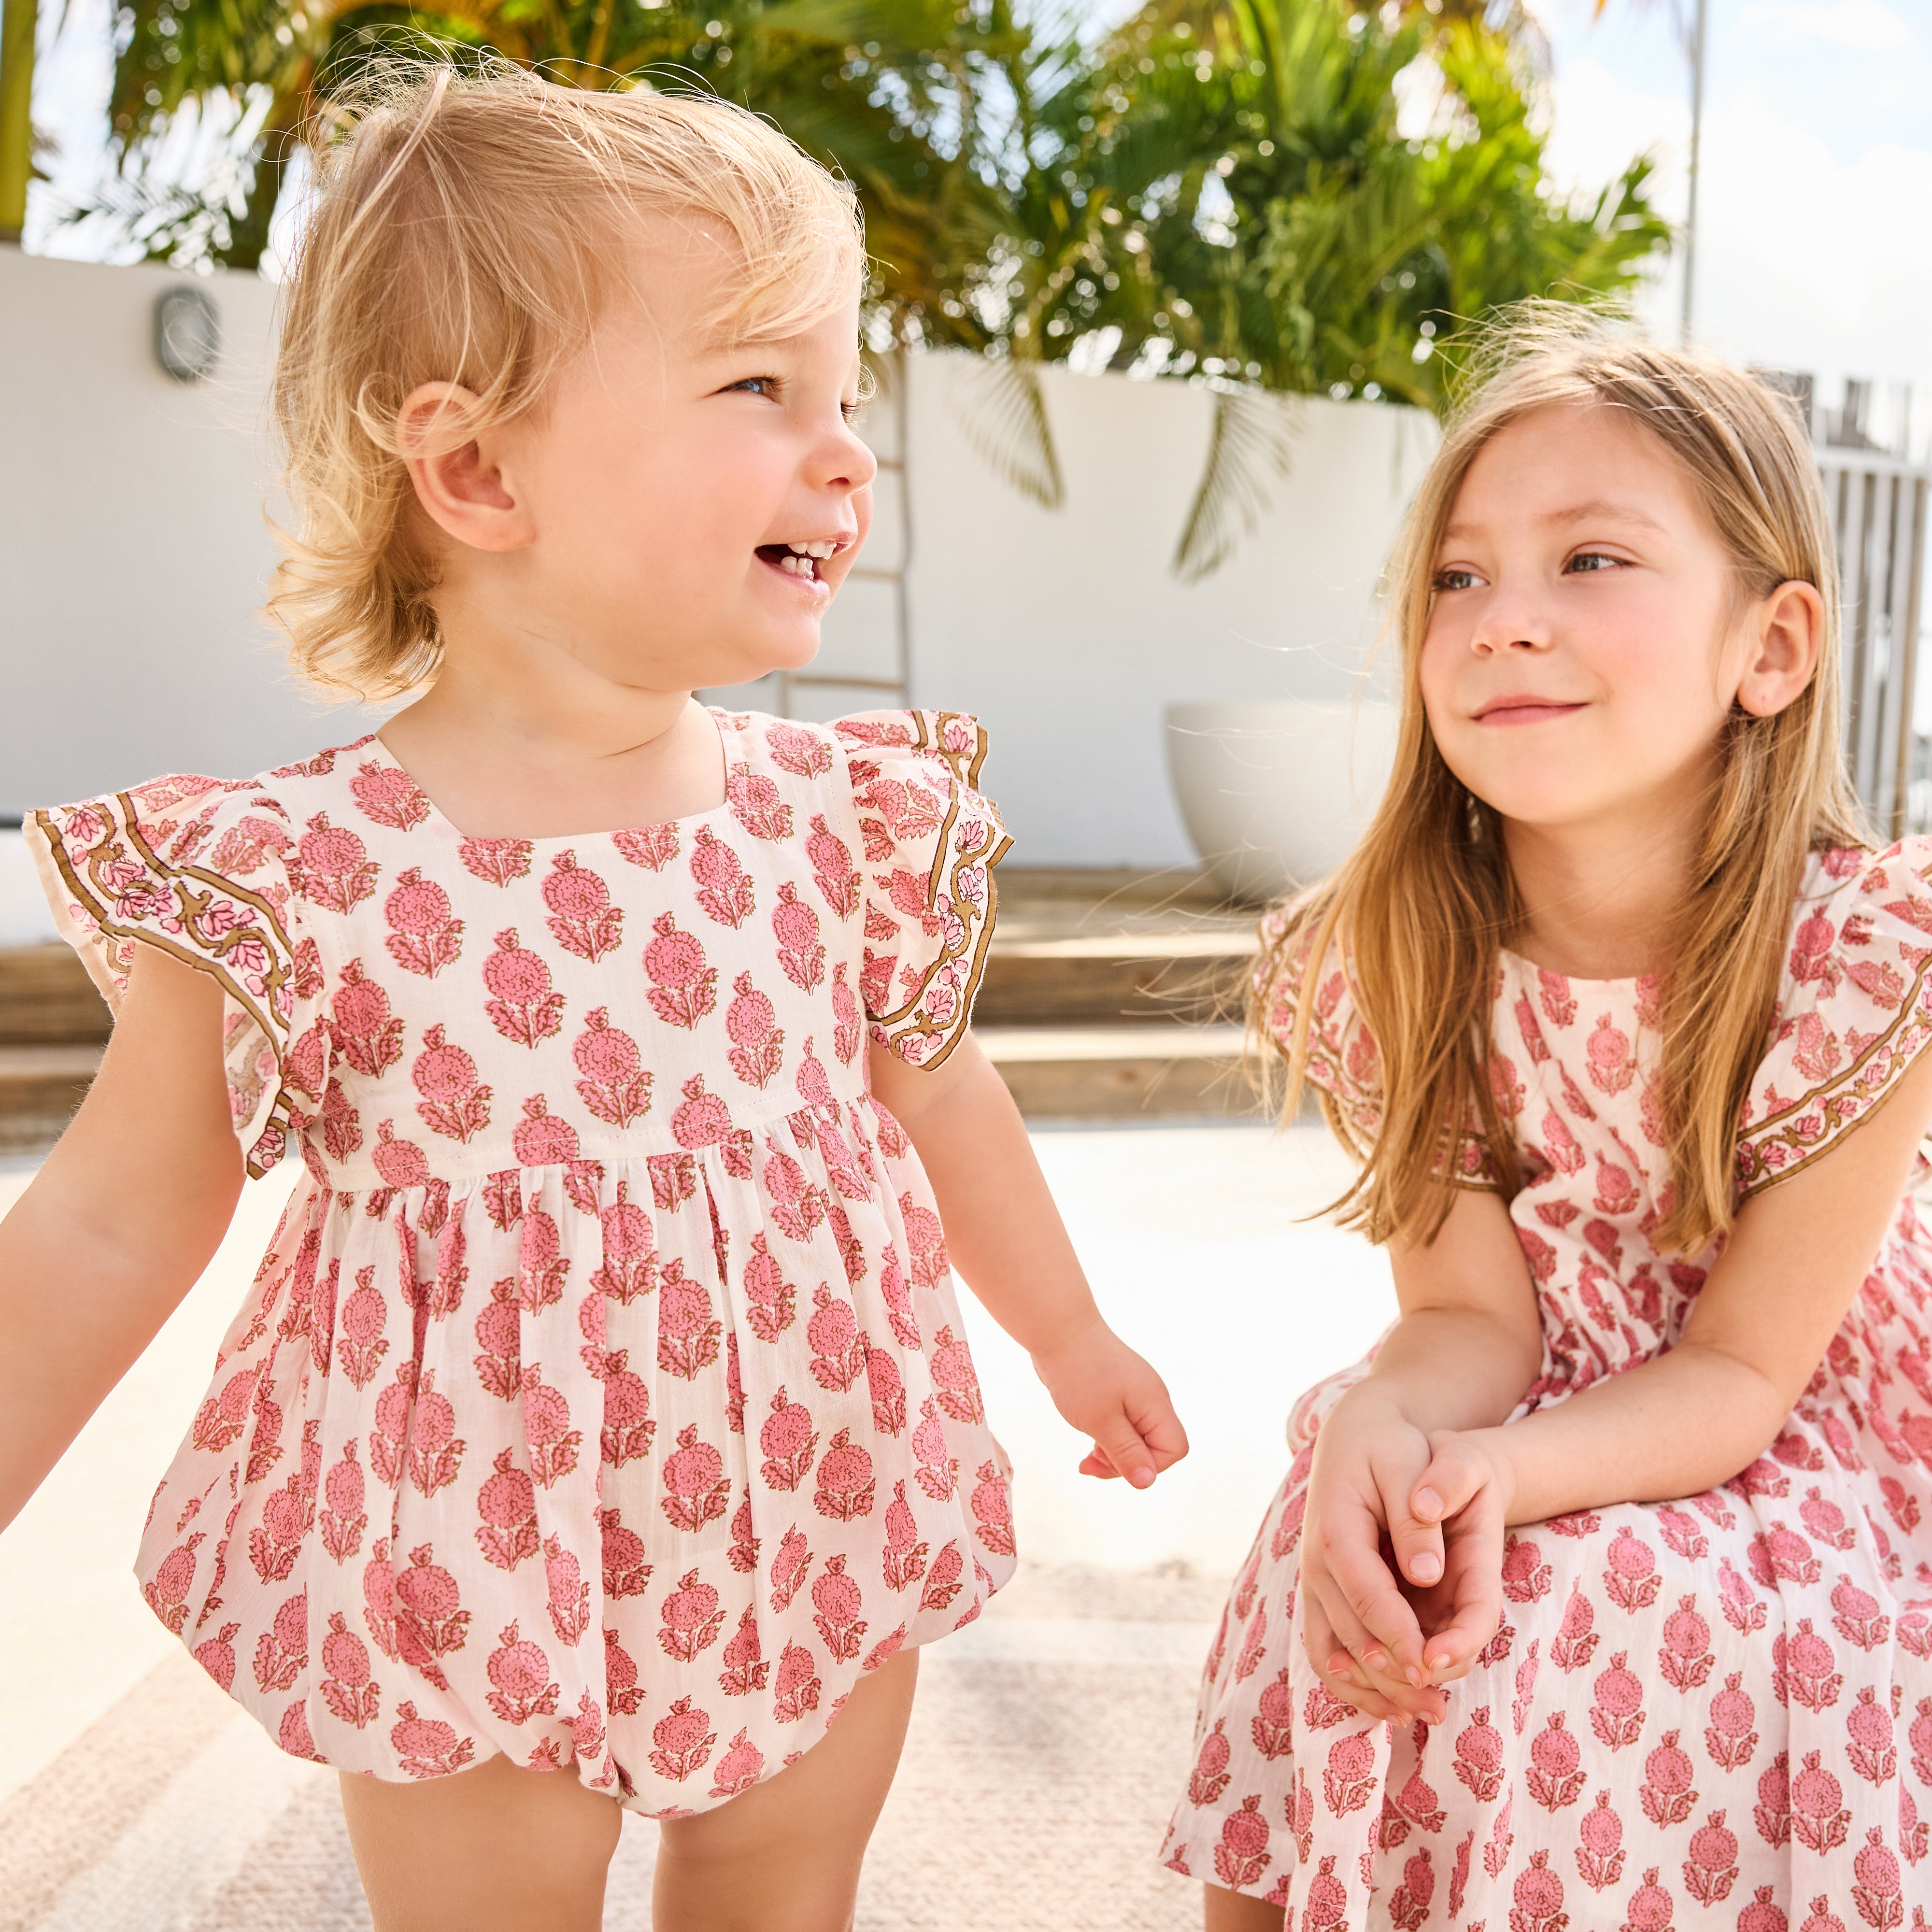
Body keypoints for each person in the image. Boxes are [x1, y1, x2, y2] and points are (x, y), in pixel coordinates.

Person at [0, 67, 1186, 1932]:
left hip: (811, 1484)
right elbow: (102, 1220)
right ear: (478, 471)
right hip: (469, 1534)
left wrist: (1068, 1332)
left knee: (786, 1879)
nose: (847, 450)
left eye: (847, 396)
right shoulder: (308, 879)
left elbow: (942, 1100)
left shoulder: (840, 827)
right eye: (759, 389)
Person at [1162, 314, 1932, 1929]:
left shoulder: (1863, 959)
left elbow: (1740, 1375)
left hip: (1804, 1440)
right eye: (1459, 578)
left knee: (1610, 1598)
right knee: (1345, 1504)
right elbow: (1464, 1317)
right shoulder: (1404, 954)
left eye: (1591, 561)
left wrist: (1498, 1480)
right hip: (1540, 1396)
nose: (1505, 622)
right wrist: (1394, 1427)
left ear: (1772, 648)